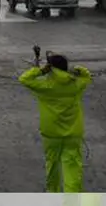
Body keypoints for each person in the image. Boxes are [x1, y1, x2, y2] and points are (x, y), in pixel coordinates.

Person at [19, 51, 92, 193]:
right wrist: (78, 69)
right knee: (72, 168)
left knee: (52, 166)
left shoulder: (45, 87)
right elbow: (86, 76)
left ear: (50, 68)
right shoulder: (76, 85)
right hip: (73, 133)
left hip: (51, 133)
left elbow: (24, 79)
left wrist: (40, 71)